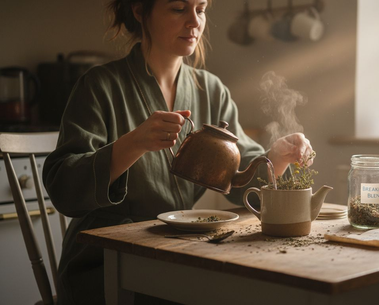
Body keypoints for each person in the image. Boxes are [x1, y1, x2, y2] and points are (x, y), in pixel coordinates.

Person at [43, 0, 314, 304]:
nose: (194, 21)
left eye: (201, 8)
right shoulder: (99, 86)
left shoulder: (211, 90)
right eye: (177, 8)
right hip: (105, 262)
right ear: (139, 10)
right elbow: (63, 187)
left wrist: (275, 158)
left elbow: (240, 181)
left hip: (181, 252)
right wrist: (133, 143)